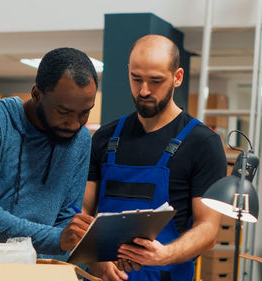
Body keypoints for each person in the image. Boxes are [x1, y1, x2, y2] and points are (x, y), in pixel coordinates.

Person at [83, 34, 227, 281]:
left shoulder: (203, 143)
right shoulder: (105, 137)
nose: (144, 90)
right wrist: (95, 259)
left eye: (156, 81)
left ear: (177, 77)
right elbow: (84, 210)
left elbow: (208, 229)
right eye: (136, 79)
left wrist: (164, 255)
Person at [0, 47, 97, 256]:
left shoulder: (80, 139)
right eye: (63, 112)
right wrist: (56, 238)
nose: (74, 124)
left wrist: (82, 236)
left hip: (37, 270)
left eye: (85, 113)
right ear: (36, 94)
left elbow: (65, 217)